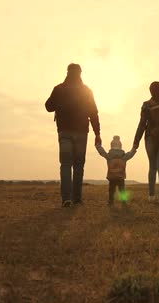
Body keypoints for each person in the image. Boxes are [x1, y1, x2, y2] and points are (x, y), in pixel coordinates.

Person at [45, 63, 102, 207]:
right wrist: (97, 133)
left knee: (65, 164)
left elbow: (48, 106)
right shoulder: (86, 90)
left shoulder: (59, 89)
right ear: (80, 73)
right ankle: (77, 198)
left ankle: (66, 199)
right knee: (78, 165)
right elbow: (93, 113)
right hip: (82, 132)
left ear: (67, 72)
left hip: (64, 131)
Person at [96, 136, 137, 207]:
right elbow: (131, 154)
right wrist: (134, 148)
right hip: (121, 177)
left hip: (112, 177)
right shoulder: (124, 157)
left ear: (111, 146)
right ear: (121, 146)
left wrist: (98, 146)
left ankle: (111, 202)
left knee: (111, 191)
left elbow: (102, 152)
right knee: (122, 191)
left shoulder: (109, 156)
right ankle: (123, 203)